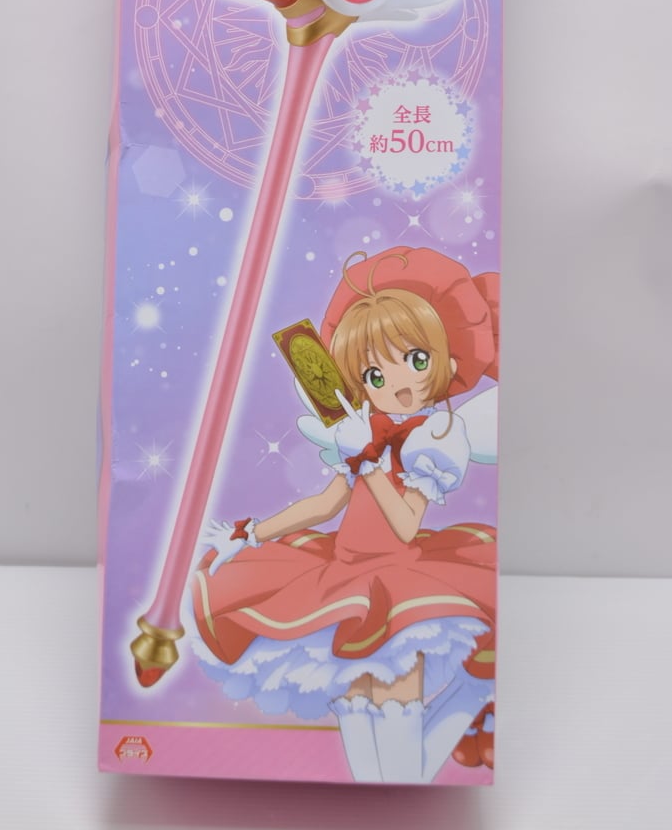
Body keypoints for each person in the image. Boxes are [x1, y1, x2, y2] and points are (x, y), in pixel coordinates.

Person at [192, 246, 498, 783]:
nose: (398, 382)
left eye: (416, 360)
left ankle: (472, 693)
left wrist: (370, 462)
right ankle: (467, 699)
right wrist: (253, 533)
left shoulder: (434, 441)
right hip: (340, 581)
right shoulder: (366, 435)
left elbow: (405, 525)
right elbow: (326, 504)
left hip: (400, 587)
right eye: (375, 374)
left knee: (400, 767)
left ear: (447, 365)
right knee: (366, 755)